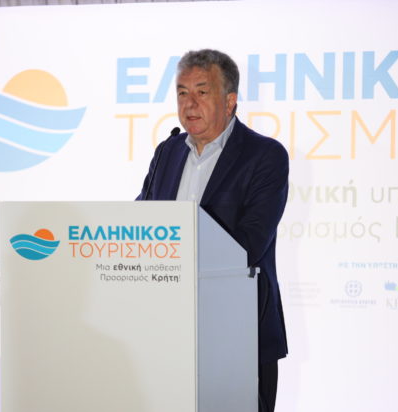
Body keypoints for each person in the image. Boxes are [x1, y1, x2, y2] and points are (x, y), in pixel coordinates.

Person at [137, 49, 288, 412]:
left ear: (230, 101)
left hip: (238, 330)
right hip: (167, 329)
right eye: (182, 93)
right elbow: (141, 222)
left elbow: (250, 242)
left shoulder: (265, 155)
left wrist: (177, 258)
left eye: (202, 92)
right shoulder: (167, 152)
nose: (189, 103)